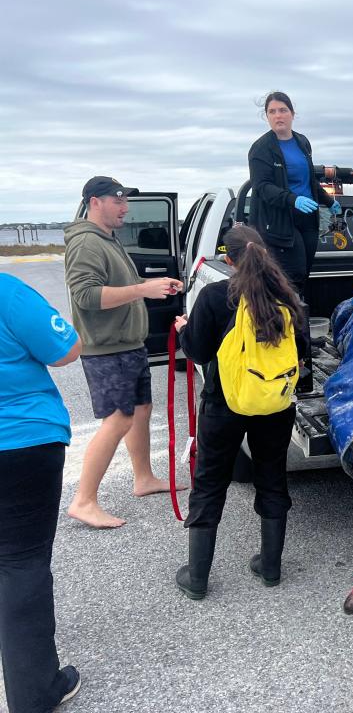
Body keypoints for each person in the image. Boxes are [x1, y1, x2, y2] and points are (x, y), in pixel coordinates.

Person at [173, 225, 307, 599]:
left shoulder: (216, 297)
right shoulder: (288, 296)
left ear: (229, 260)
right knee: (271, 477)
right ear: (263, 253)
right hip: (275, 405)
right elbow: (302, 354)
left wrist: (184, 330)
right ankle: (270, 566)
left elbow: (198, 352)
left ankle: (197, 577)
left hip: (223, 404)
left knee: (210, 482)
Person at [63, 176, 185, 529]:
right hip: (107, 347)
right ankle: (83, 500)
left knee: (141, 410)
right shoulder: (87, 243)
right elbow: (87, 297)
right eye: (117, 200)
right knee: (118, 418)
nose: (124, 207)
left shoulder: (107, 239)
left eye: (124, 200)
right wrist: (143, 289)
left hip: (128, 344)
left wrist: (151, 288)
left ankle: (143, 478)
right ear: (94, 202)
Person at [0, 273, 83, 712]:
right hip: (20, 442)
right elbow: (66, 349)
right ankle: (34, 693)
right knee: (22, 564)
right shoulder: (7, 292)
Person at [248, 91, 342, 292]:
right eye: (272, 112)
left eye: (282, 110)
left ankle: (299, 315)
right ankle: (290, 318)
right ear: (267, 116)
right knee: (292, 275)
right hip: (280, 222)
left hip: (307, 218)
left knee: (304, 273)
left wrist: (327, 201)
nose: (278, 116)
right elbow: (262, 187)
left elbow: (309, 179)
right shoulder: (261, 148)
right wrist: (293, 199)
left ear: (292, 113)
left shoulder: (302, 142)